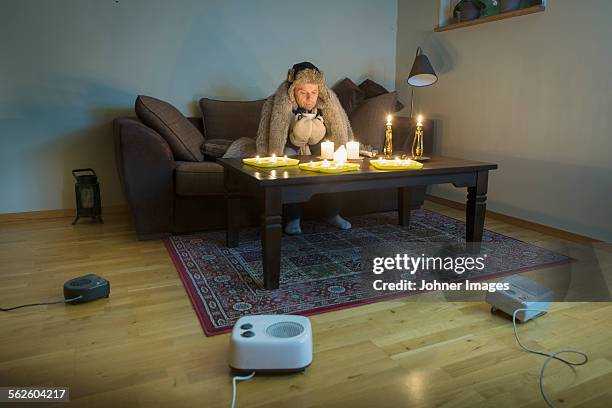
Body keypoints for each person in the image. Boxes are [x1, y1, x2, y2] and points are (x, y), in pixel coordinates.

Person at [255, 62, 353, 235]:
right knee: (290, 168)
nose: (310, 98)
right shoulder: (277, 103)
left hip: (319, 147)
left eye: (313, 92)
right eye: (303, 93)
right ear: (293, 90)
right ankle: (293, 218)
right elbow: (269, 137)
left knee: (334, 165)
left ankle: (333, 213)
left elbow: (338, 131)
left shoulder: (327, 102)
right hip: (291, 147)